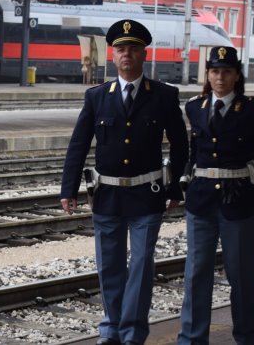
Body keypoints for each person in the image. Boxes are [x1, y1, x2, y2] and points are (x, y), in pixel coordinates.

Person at [60, 19, 189, 345]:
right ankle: (112, 328)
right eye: (121, 49)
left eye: (133, 48)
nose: (126, 54)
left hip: (148, 194)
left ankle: (132, 333)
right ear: (112, 55)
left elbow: (180, 143)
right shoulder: (97, 97)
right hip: (107, 195)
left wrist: (175, 186)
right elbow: (78, 144)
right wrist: (68, 188)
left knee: (143, 263)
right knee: (110, 266)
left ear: (144, 54)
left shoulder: (162, 96)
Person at [177, 46, 254, 345]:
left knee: (242, 276)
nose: (220, 77)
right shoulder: (194, 107)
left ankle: (247, 338)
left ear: (237, 76)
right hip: (201, 202)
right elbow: (194, 150)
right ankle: (191, 339)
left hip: (241, 202)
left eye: (226, 71)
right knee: (196, 276)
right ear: (208, 75)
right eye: (215, 71)